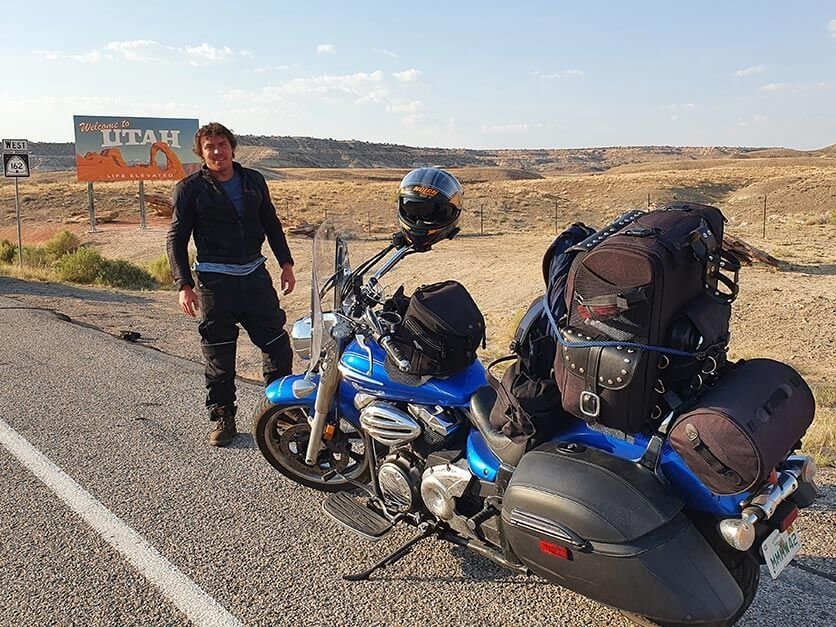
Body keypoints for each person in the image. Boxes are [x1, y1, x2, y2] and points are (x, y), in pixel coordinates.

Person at [166, 122, 295, 447]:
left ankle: (280, 412)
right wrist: (184, 284)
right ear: (201, 153)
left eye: (221, 144)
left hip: (254, 277)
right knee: (219, 357)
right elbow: (176, 239)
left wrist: (286, 263)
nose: (217, 152)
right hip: (214, 284)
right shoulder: (189, 189)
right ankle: (224, 417)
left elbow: (271, 223)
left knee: (277, 346)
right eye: (209, 147)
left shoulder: (253, 181)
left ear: (232, 147)